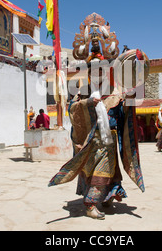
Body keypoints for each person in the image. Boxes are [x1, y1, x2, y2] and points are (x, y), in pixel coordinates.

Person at [48, 51, 148, 220]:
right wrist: (87, 104)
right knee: (95, 174)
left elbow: (123, 110)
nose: (97, 73)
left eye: (100, 70)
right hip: (91, 141)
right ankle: (90, 204)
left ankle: (106, 197)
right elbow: (72, 108)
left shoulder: (116, 90)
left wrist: (126, 102)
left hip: (110, 140)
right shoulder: (84, 91)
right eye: (93, 70)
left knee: (108, 170)